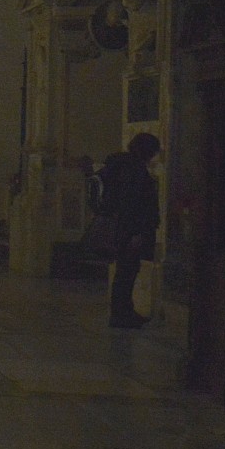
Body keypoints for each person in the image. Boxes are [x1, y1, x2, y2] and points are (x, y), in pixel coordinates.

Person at [94, 132, 162, 328]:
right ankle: (121, 314)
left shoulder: (123, 165)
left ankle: (124, 310)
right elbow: (133, 203)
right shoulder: (134, 169)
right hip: (130, 229)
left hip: (123, 227)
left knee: (126, 270)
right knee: (127, 271)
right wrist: (136, 233)